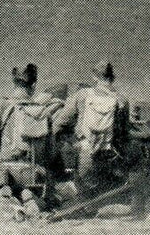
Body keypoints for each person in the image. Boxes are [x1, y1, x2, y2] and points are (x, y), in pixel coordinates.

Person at [0, 63, 53, 209]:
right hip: (33, 174)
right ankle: (27, 194)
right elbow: (50, 152)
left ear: (14, 82)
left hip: (6, 173)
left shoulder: (2, 106)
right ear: (34, 84)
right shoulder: (43, 111)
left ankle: (6, 193)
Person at [52, 60, 129, 196]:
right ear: (113, 78)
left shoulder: (82, 95)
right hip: (110, 159)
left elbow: (59, 124)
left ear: (94, 77)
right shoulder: (122, 101)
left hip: (85, 158)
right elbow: (123, 135)